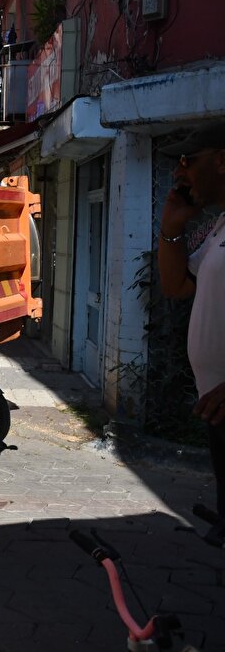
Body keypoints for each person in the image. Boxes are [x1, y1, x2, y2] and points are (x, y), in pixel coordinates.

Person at [158, 123, 225, 520]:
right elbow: (177, 284)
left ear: (221, 160)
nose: (177, 173)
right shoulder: (219, 228)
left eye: (187, 160)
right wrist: (171, 228)